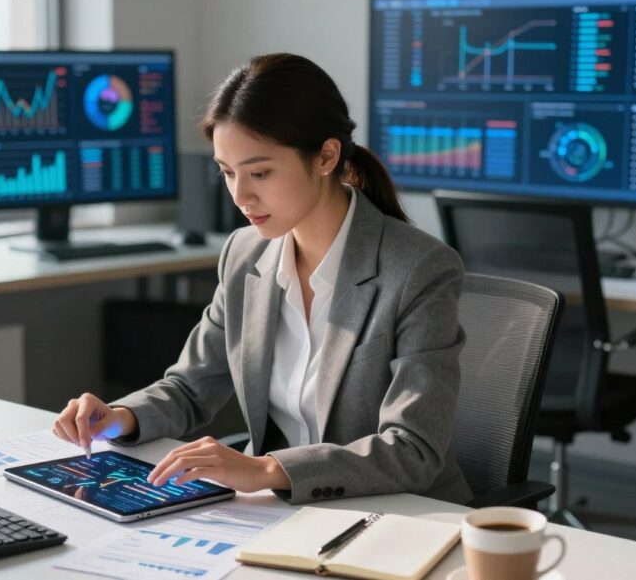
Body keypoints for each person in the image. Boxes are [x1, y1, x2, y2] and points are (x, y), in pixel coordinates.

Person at [53, 53, 472, 505]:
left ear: (326, 156)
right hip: (283, 514)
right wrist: (117, 418)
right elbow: (190, 388)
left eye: (260, 172)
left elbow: (413, 449)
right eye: (227, 172)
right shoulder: (244, 253)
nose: (241, 195)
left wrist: (268, 468)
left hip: (397, 516)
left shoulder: (418, 268)